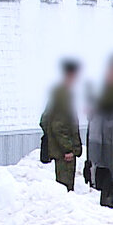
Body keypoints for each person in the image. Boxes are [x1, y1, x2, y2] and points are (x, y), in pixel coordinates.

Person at [41, 59, 82, 192]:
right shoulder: (63, 95)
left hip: (61, 151)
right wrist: (67, 149)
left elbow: (45, 121)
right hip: (65, 154)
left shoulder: (60, 93)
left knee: (63, 188)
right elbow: (58, 126)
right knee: (65, 189)